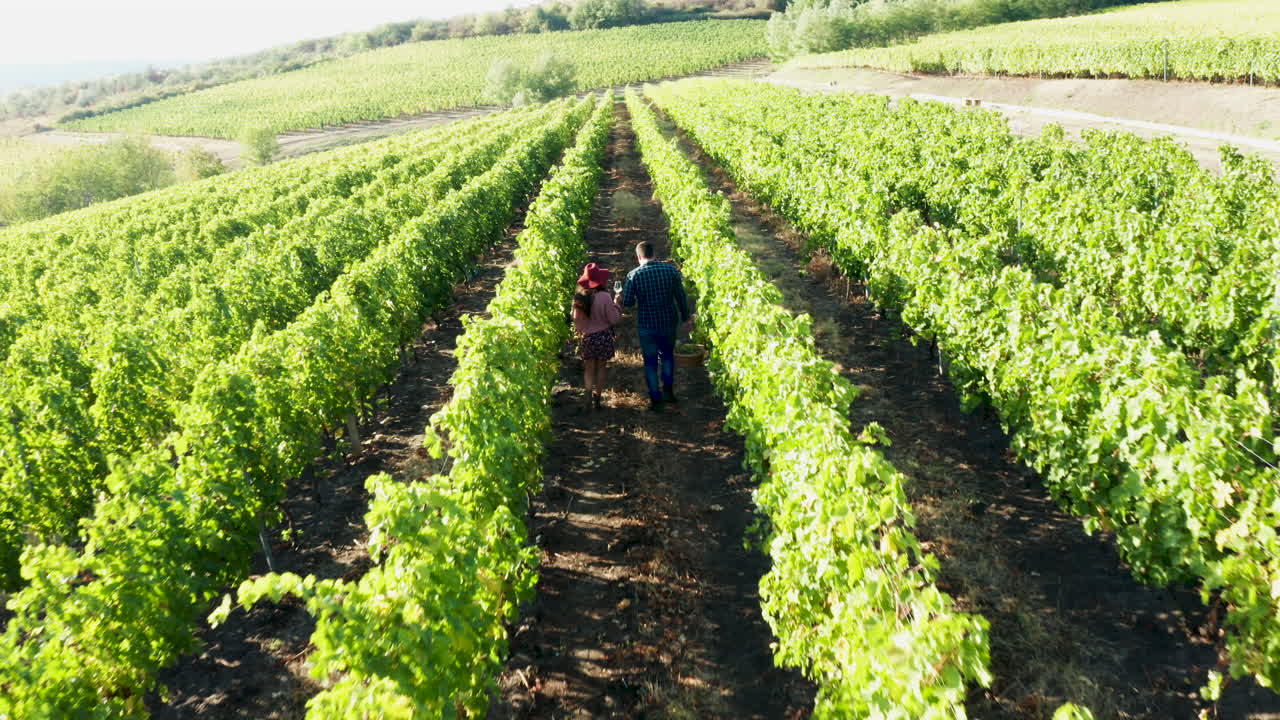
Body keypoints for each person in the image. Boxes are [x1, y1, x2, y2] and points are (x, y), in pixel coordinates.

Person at [619, 241, 691, 412]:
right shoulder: (671, 270)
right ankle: (668, 392)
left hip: (647, 325)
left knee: (650, 362)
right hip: (668, 322)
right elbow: (680, 296)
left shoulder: (633, 275)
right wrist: (686, 318)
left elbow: (628, 303)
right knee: (667, 356)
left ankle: (655, 398)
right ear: (654, 253)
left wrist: (620, 298)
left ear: (638, 257)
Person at [573, 262, 622, 410]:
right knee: (601, 368)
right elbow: (613, 319)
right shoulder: (605, 296)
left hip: (588, 338)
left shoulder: (579, 298)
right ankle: (598, 399)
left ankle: (587, 395)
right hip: (603, 337)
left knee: (589, 369)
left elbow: (575, 320)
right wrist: (617, 304)